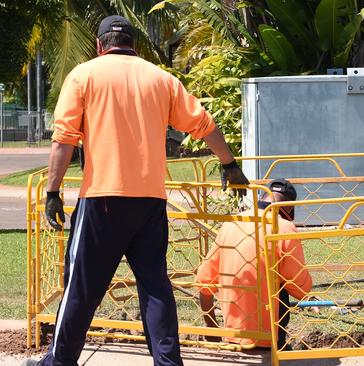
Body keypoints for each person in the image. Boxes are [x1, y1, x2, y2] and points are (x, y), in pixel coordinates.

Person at [23, 15, 249, 366]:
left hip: (102, 199)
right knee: (155, 286)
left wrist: (53, 192)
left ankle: (59, 362)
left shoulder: (84, 75)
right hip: (149, 202)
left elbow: (64, 139)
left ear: (100, 45)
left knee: (81, 288)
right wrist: (229, 165)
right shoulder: (161, 79)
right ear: (135, 44)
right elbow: (205, 124)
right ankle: (168, 362)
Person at [196, 179, 312, 349]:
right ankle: (275, 344)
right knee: (280, 283)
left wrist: (212, 326)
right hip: (266, 335)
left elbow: (204, 282)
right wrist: (308, 294)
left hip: (232, 333)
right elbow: (298, 284)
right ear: (289, 207)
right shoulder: (284, 227)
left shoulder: (230, 223)